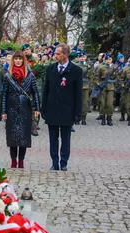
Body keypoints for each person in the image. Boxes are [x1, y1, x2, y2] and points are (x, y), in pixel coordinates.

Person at [42, 43, 82, 171]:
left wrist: (77, 113)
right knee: (53, 139)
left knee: (65, 139)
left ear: (65, 55)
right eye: (55, 53)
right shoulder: (50, 69)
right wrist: (44, 109)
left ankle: (64, 163)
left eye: (58, 54)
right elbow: (45, 90)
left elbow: (78, 94)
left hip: (67, 110)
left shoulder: (76, 71)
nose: (55, 56)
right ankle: (55, 162)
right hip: (52, 109)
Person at [2, 51, 40, 169]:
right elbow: (4, 94)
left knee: (23, 136)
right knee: (12, 136)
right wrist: (3, 111)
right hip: (12, 107)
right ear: (13, 61)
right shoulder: (7, 75)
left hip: (25, 108)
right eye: (16, 59)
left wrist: (37, 108)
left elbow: (35, 92)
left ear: (24, 60)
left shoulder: (30, 75)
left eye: (20, 59)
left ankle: (22, 161)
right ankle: (13, 161)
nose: (18, 61)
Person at [94, 54, 117, 126]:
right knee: (102, 103)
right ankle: (103, 118)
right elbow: (96, 77)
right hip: (103, 87)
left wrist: (115, 84)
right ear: (105, 60)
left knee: (110, 103)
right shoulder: (101, 67)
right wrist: (98, 84)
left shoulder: (114, 68)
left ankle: (109, 118)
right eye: (107, 59)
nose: (108, 61)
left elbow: (117, 78)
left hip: (111, 87)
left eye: (110, 59)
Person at [75, 51, 92, 125]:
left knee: (85, 102)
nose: (82, 58)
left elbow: (92, 77)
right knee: (77, 101)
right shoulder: (76, 66)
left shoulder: (89, 66)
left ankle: (83, 117)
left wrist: (90, 86)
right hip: (78, 85)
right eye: (80, 57)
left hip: (86, 85)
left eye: (83, 57)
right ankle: (76, 117)